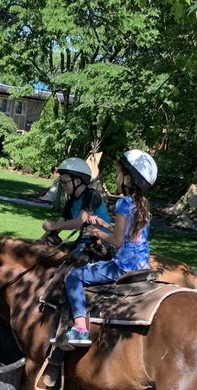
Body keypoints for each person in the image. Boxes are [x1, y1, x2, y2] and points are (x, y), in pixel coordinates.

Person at [63, 149, 156, 347]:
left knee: (73, 276)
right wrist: (104, 225)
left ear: (128, 179)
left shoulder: (123, 203)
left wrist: (97, 233)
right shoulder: (142, 204)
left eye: (118, 174)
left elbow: (118, 242)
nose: (115, 177)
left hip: (122, 267)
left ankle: (80, 328)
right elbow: (130, 234)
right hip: (142, 266)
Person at [42, 157, 112, 257]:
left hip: (100, 242)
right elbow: (60, 223)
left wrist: (53, 226)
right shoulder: (72, 200)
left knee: (67, 263)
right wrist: (42, 240)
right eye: (61, 182)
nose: (63, 186)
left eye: (65, 182)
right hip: (84, 239)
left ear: (78, 181)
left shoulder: (92, 195)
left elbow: (79, 221)